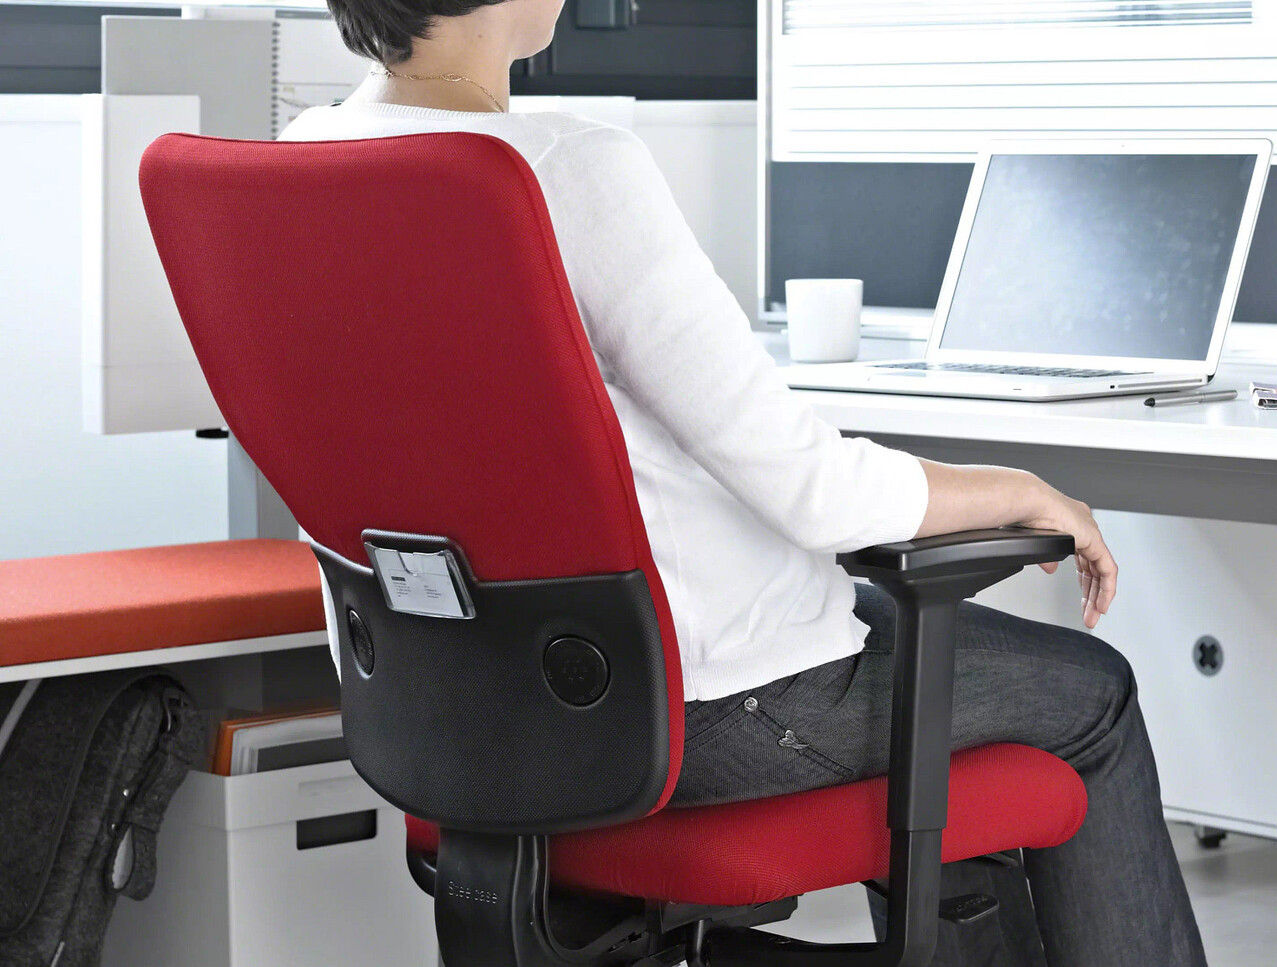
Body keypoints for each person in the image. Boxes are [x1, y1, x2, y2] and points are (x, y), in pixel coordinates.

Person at [286, 0, 1207, 962]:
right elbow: (812, 486)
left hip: (451, 699)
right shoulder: (564, 169)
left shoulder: (303, 160)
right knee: (1093, 695)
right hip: (693, 705)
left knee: (938, 676)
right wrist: (1018, 490)